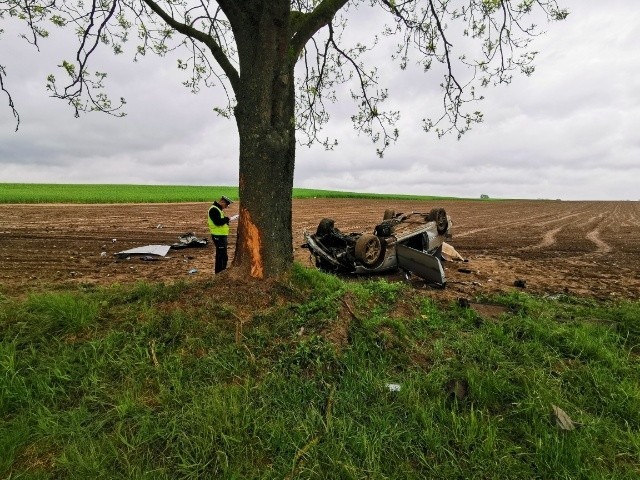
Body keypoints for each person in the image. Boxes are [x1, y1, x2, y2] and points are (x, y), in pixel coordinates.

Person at [207, 195, 236, 273]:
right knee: (222, 256)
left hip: (221, 235)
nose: (226, 207)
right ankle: (220, 273)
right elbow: (218, 222)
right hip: (218, 236)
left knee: (221, 256)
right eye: (226, 205)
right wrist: (227, 219)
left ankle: (220, 272)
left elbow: (220, 220)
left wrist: (227, 219)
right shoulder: (214, 209)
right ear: (222, 202)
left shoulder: (218, 209)